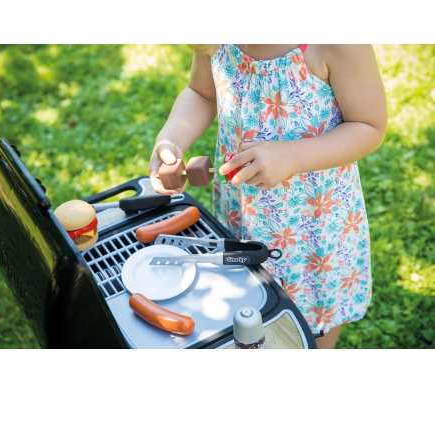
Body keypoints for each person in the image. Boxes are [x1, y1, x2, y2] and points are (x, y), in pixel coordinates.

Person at [149, 44, 388, 349]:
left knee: (312, 320)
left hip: (314, 228)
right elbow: (202, 93)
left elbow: (368, 125)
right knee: (249, 307)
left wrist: (292, 157)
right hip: (243, 215)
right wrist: (171, 139)